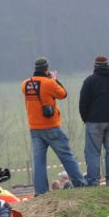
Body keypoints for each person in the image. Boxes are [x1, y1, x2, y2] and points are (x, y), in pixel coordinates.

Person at [22, 57, 87, 196]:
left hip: (34, 128)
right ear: (46, 69)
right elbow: (63, 94)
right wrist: (55, 79)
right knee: (66, 155)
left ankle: (40, 191)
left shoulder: (25, 84)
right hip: (51, 127)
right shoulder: (49, 82)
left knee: (39, 161)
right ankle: (80, 184)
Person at [79, 55, 109, 186]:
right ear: (108, 64)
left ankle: (94, 182)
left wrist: (85, 118)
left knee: (93, 152)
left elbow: (83, 103)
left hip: (94, 122)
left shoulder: (89, 81)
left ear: (95, 65)